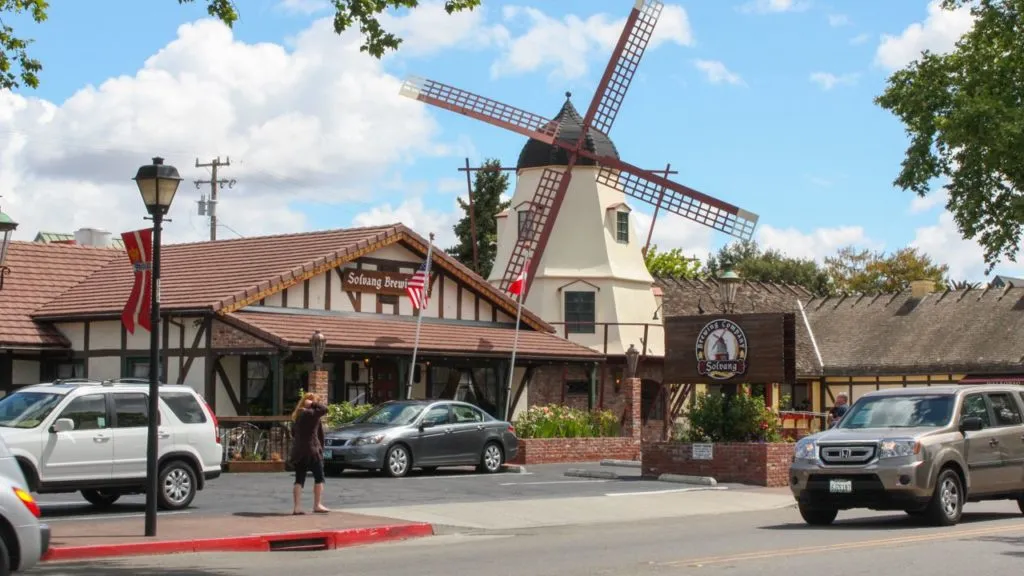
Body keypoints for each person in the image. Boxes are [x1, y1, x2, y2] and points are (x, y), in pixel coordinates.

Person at [290, 392, 330, 515]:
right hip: (312, 450)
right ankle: (317, 505)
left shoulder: (297, 415)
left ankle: (297, 507)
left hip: (299, 451)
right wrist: (313, 404)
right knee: (319, 477)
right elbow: (325, 409)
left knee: (299, 479)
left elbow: (293, 433)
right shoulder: (310, 413)